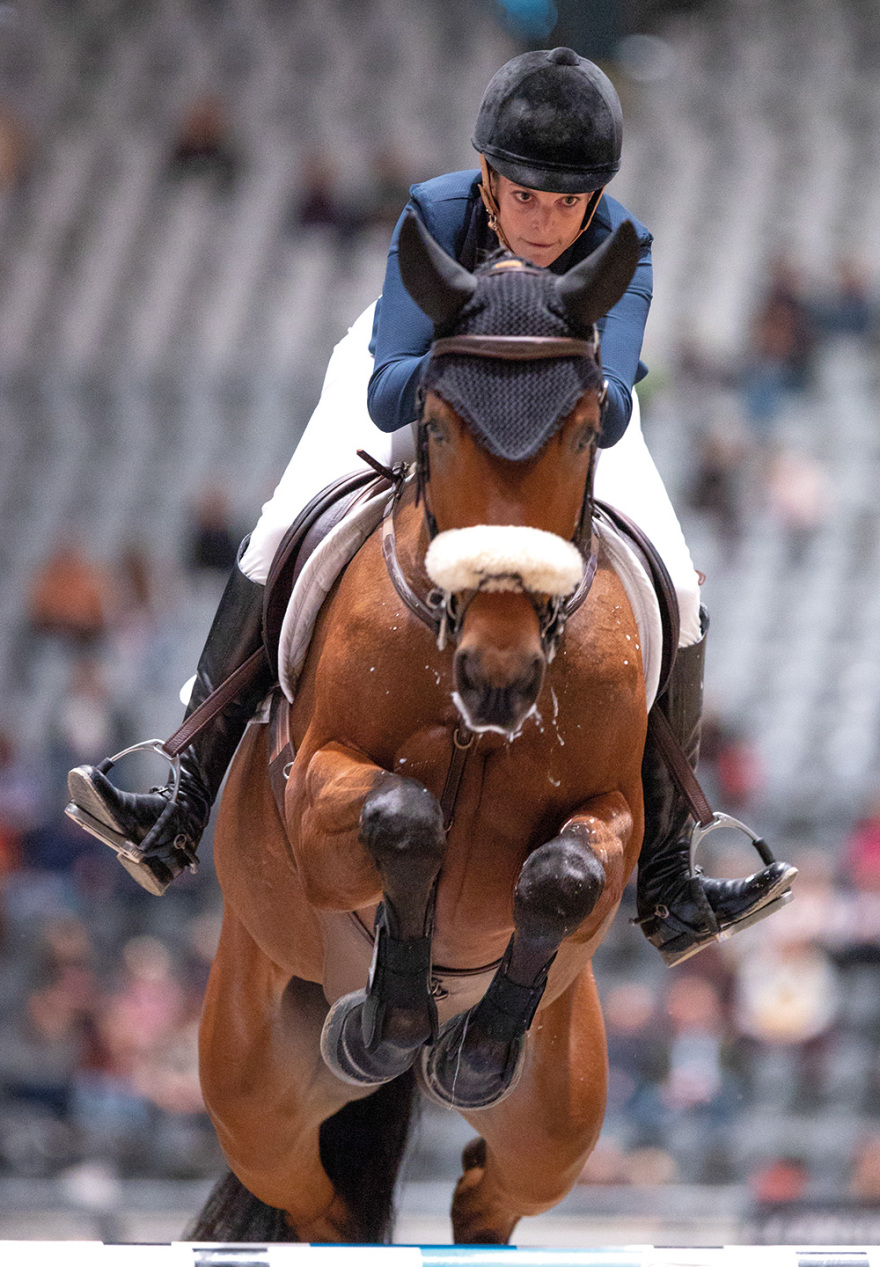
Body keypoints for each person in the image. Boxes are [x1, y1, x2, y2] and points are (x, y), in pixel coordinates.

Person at [67, 48, 795, 964]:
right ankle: (182, 793)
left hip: (560, 408)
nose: (543, 222)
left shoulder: (625, 248)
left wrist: (532, 371)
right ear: (488, 180)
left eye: (567, 203)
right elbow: (386, 395)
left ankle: (670, 871)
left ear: (596, 199)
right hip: (423, 386)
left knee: (678, 586)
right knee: (282, 525)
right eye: (524, 198)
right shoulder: (435, 215)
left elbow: (609, 407)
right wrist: (481, 370)